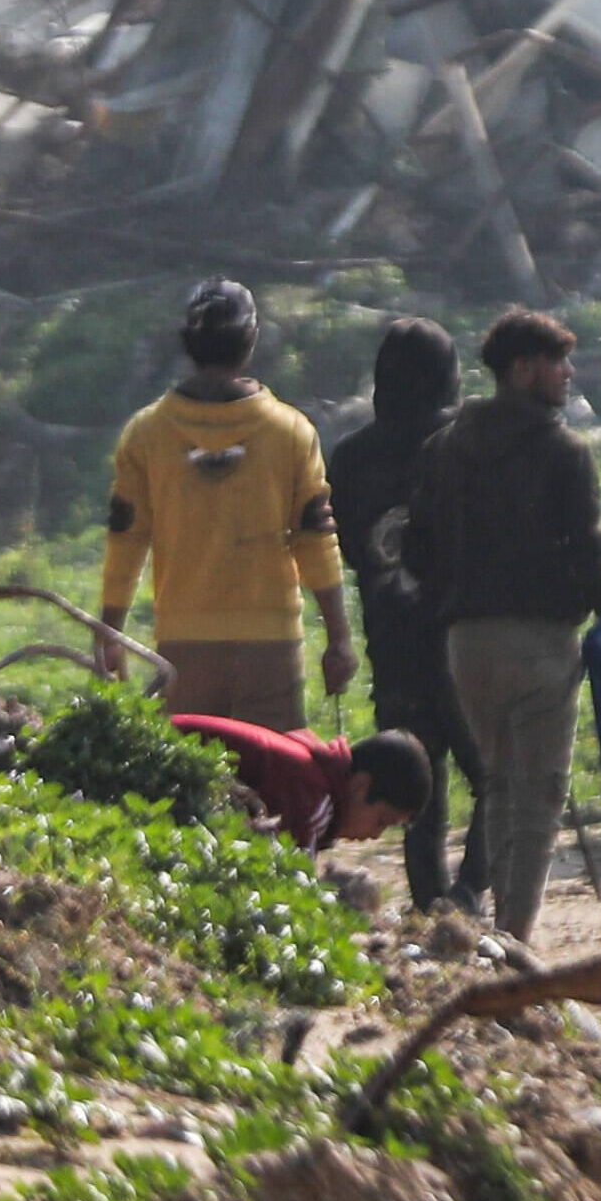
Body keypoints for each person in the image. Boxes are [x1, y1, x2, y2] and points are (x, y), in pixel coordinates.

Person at [406, 310, 601, 946]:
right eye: (557, 362)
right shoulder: (563, 452)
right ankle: (517, 936)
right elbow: (589, 547)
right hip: (542, 642)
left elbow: (416, 551)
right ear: (524, 370)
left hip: (466, 644)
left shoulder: (443, 449)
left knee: (496, 784)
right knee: (541, 793)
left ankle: (500, 929)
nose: (568, 374)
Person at [91, 281, 351, 728]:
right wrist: (339, 637)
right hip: (271, 647)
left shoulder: (147, 434)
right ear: (251, 341)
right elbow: (315, 539)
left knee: (194, 784)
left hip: (182, 647)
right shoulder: (290, 432)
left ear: (187, 344)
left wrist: (109, 632)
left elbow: (126, 538)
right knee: (271, 786)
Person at [318, 314, 474, 912]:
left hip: (392, 636)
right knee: (491, 780)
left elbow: (347, 550)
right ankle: (468, 894)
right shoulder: (466, 442)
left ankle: (432, 902)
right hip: (464, 635)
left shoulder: (353, 457)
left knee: (416, 783)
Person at [158, 715, 443, 861]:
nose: (374, 835)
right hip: (158, 760)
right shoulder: (314, 797)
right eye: (381, 821)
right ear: (359, 786)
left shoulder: (315, 776)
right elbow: (293, 881)